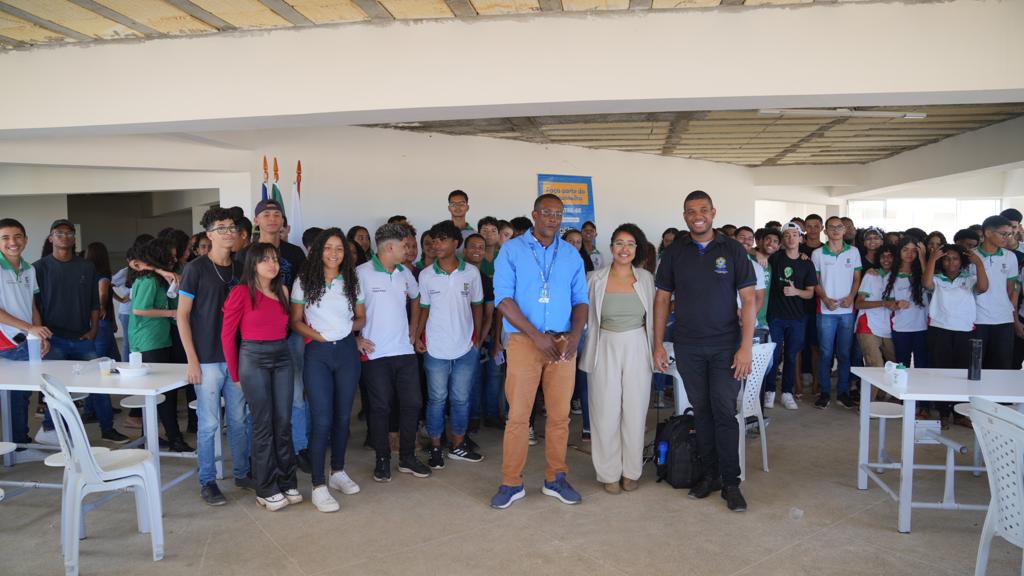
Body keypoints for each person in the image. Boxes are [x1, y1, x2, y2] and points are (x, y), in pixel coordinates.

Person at [653, 190, 755, 512]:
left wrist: (746, 347)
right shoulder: (674, 252)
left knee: (724, 412)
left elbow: (749, 299)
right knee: (702, 412)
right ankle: (710, 475)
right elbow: (662, 299)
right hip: (689, 346)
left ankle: (731, 482)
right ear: (684, 216)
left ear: (713, 213)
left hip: (726, 346)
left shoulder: (733, 249)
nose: (697, 216)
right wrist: (657, 343)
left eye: (703, 210)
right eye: (690, 211)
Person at [490, 194, 588, 509]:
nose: (553, 219)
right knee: (518, 417)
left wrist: (575, 336)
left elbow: (581, 300)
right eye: (547, 212)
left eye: (558, 214)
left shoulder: (571, 254)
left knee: (559, 417)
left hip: (562, 343)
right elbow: (503, 299)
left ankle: (555, 478)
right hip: (524, 342)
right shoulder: (512, 250)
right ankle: (511, 483)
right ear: (534, 214)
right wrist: (536, 336)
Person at [177, 207, 254, 506]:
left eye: (232, 227)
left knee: (238, 419)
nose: (228, 232)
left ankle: (243, 473)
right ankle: (207, 480)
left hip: (237, 358)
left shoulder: (242, 268)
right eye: (221, 228)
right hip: (206, 359)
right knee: (209, 423)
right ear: (209, 234)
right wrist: (192, 360)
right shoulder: (195, 269)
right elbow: (182, 316)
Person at [290, 229, 364, 512]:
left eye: (340, 249)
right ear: (319, 250)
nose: (334, 253)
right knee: (322, 420)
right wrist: (319, 337)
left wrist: (348, 329)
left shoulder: (352, 280)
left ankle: (338, 471)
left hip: (346, 352)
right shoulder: (304, 280)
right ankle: (318, 485)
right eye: (328, 247)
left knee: (343, 417)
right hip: (318, 353)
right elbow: (295, 321)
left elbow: (361, 317)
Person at [222, 243, 299, 511]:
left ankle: (287, 481)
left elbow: (285, 329)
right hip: (253, 359)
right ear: (253, 264)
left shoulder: (283, 291)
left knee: (283, 422)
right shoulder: (241, 292)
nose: (272, 264)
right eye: (265, 259)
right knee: (263, 425)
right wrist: (235, 374)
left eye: (275, 259)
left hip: (282, 357)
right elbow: (227, 336)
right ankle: (265, 488)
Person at [579, 223, 654, 494]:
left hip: (637, 345)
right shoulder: (593, 278)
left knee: (635, 410)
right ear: (611, 247)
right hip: (604, 345)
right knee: (604, 411)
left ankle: (631, 471)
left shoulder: (646, 279)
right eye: (620, 243)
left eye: (630, 244)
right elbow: (580, 313)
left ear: (637, 249)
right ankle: (609, 472)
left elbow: (655, 316)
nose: (625, 249)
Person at [239, 199, 310, 470]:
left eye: (277, 214)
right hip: (257, 340)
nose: (272, 218)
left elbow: (305, 291)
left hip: (291, 334)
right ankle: (258, 456)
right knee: (258, 403)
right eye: (266, 214)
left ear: (283, 221)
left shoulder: (295, 253)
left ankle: (299, 448)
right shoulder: (244, 255)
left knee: (296, 395)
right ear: (256, 220)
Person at [356, 223, 430, 482]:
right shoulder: (361, 274)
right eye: (404, 246)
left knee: (413, 404)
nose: (408, 251)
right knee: (380, 408)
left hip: (404, 351)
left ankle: (407, 457)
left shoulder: (404, 273)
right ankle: (382, 460)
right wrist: (356, 338)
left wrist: (414, 328)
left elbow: (417, 298)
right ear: (389, 247)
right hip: (375, 354)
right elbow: (347, 309)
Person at [32, 220, 114, 444]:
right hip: (53, 338)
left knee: (98, 383)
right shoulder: (39, 268)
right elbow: (33, 305)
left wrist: (94, 329)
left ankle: (108, 428)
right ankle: (52, 429)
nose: (65, 237)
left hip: (82, 337)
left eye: (69, 233)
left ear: (74, 238)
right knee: (55, 387)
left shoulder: (86, 266)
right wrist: (41, 335)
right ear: (51, 238)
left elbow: (94, 303)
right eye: (59, 233)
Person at [415, 221, 485, 468]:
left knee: (461, 399)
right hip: (435, 348)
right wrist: (418, 337)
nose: (436, 245)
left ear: (456, 243)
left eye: (442, 240)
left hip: (465, 347)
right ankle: (436, 447)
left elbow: (477, 306)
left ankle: (458, 445)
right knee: (437, 399)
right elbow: (423, 309)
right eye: (434, 240)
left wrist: (476, 339)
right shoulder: (426, 275)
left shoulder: (471, 273)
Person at [127, 239, 192, 452]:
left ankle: (153, 436)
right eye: (169, 256)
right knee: (164, 393)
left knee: (160, 392)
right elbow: (139, 309)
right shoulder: (149, 280)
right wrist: (172, 313)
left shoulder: (159, 278)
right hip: (148, 340)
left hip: (159, 337)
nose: (173, 259)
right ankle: (174, 438)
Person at [923, 243, 989, 427]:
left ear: (962, 262)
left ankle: (959, 414)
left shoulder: (970, 279)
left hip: (965, 331)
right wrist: (932, 259)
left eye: (955, 259)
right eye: (946, 259)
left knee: (962, 374)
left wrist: (979, 263)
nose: (951, 262)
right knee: (942, 372)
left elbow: (983, 287)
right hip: (940, 330)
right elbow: (926, 284)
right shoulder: (936, 278)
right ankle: (943, 413)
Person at [0, 218, 52, 447]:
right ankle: (18, 443)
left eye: (17, 236)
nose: (13, 242)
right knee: (16, 395)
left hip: (23, 339)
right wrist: (31, 329)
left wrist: (38, 335)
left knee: (21, 394)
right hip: (5, 340)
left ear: (26, 239)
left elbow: (31, 306)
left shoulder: (29, 269)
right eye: (5, 238)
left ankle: (19, 442)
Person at [811, 216, 862, 410]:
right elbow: (815, 281)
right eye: (831, 227)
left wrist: (851, 297)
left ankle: (843, 392)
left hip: (847, 311)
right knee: (825, 353)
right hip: (826, 311)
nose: (835, 230)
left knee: (844, 353)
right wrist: (825, 298)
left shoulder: (854, 252)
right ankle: (824, 392)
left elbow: (857, 278)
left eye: (839, 227)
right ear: (825, 231)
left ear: (844, 230)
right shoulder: (817, 254)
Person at [764, 223, 817, 411]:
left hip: (797, 318)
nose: (791, 238)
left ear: (801, 238)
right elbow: (756, 253)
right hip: (776, 317)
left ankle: (787, 392)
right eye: (787, 235)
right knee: (773, 355)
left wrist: (796, 292)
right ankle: (770, 390)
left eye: (795, 234)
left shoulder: (807, 263)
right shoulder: (775, 258)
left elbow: (810, 293)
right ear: (783, 240)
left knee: (792, 356)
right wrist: (759, 255)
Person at [972, 215, 1020, 369]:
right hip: (976, 320)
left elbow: (1010, 289)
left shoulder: (1010, 257)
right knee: (975, 367)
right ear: (987, 233)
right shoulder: (970, 256)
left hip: (1003, 321)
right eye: (1003, 234)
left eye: (1009, 234)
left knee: (1001, 368)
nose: (1007, 238)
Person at [462, 233, 498, 429]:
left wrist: (479, 340)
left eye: (481, 247)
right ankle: (473, 417)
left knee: (487, 376)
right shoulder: (457, 275)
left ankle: (488, 415)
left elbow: (489, 313)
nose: (477, 250)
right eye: (473, 246)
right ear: (464, 250)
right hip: (459, 337)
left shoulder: (485, 279)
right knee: (470, 380)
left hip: (481, 338)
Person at [884, 238, 929, 389]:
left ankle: (922, 398)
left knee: (922, 365)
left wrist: (923, 258)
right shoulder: (891, 275)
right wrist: (896, 304)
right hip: (901, 328)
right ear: (899, 252)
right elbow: (888, 303)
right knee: (901, 366)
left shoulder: (923, 273)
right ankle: (901, 397)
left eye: (914, 251)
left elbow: (928, 283)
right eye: (905, 250)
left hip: (922, 327)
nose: (909, 254)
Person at [855, 244, 899, 381]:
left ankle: (887, 394)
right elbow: (858, 303)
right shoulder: (871, 275)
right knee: (876, 367)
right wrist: (883, 303)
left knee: (894, 366)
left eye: (890, 256)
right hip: (868, 325)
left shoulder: (899, 276)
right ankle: (871, 396)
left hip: (891, 327)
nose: (886, 259)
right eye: (882, 256)